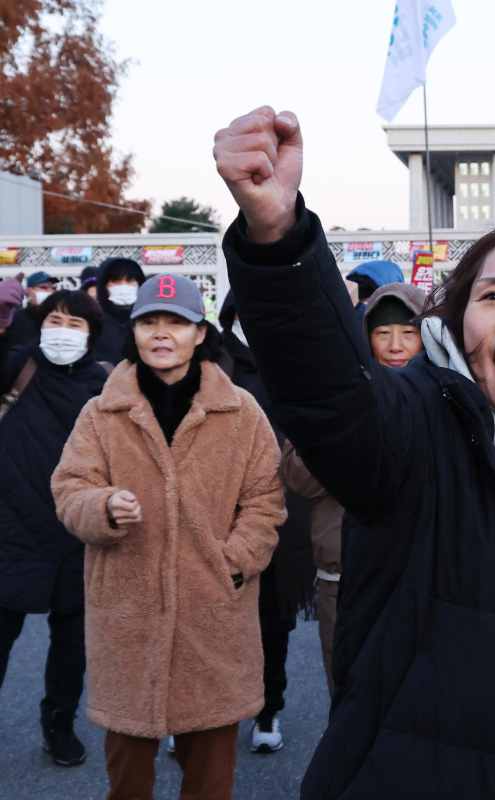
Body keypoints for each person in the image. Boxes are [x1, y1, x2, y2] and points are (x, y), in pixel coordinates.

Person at [214, 106, 495, 799]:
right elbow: (330, 393)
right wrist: (279, 237)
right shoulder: (417, 433)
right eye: (493, 295)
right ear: (462, 327)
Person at [51, 273, 284, 800]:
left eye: (175, 322)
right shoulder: (101, 413)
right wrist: (103, 506)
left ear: (199, 333)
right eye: (149, 321)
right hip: (127, 617)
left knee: (210, 780)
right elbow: (69, 489)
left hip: (214, 618)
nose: (162, 333)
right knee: (128, 779)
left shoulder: (241, 412)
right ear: (133, 330)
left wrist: (235, 560)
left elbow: (266, 500)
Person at [280, 281, 428, 695]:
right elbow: (296, 476)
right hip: (340, 574)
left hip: (423, 573)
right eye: (383, 334)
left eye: (408, 333)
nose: (396, 345)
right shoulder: (335, 391)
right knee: (349, 692)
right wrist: (344, 439)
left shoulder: (448, 393)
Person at [0, 284, 109, 767]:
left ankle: (58, 725)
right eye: (54, 322)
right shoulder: (15, 366)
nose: (63, 333)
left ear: (92, 334)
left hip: (77, 533)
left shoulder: (104, 384)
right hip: (9, 527)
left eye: (75, 324)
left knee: (72, 646)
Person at [217, 294, 315, 754]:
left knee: (273, 619)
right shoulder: (209, 363)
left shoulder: (293, 364)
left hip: (281, 509)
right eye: (244, 316)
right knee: (208, 616)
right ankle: (200, 712)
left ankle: (267, 707)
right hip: (216, 509)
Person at [91, 257, 146, 364]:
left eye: (130, 281)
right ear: (103, 285)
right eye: (116, 281)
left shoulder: (148, 321)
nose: (124, 286)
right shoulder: (92, 322)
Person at [5, 271, 60, 349]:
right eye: (43, 287)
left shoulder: (59, 318)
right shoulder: (14, 318)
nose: (50, 292)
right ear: (28, 291)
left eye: (53, 288)